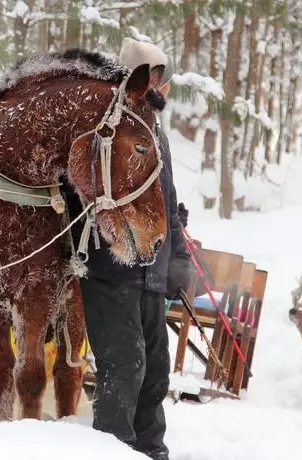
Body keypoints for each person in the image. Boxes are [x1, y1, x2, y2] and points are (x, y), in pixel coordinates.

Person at [61, 38, 193, 460]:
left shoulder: (156, 132)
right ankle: (115, 450)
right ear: (141, 78)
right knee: (125, 365)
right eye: (160, 77)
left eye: (165, 78)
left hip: (151, 272)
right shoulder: (106, 126)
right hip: (110, 266)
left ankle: (151, 451)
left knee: (155, 370)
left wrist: (178, 260)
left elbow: (167, 206)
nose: (165, 86)